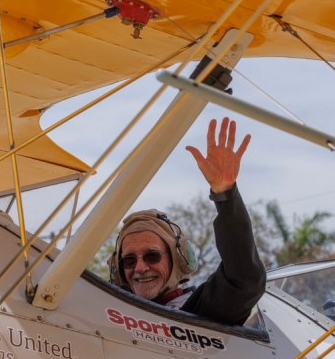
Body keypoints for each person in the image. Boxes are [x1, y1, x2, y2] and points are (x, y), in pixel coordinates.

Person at [109, 117, 266, 326]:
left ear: (180, 258)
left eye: (152, 256)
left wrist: (225, 193)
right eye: (129, 260)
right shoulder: (105, 313)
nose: (140, 267)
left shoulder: (200, 311)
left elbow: (245, 281)